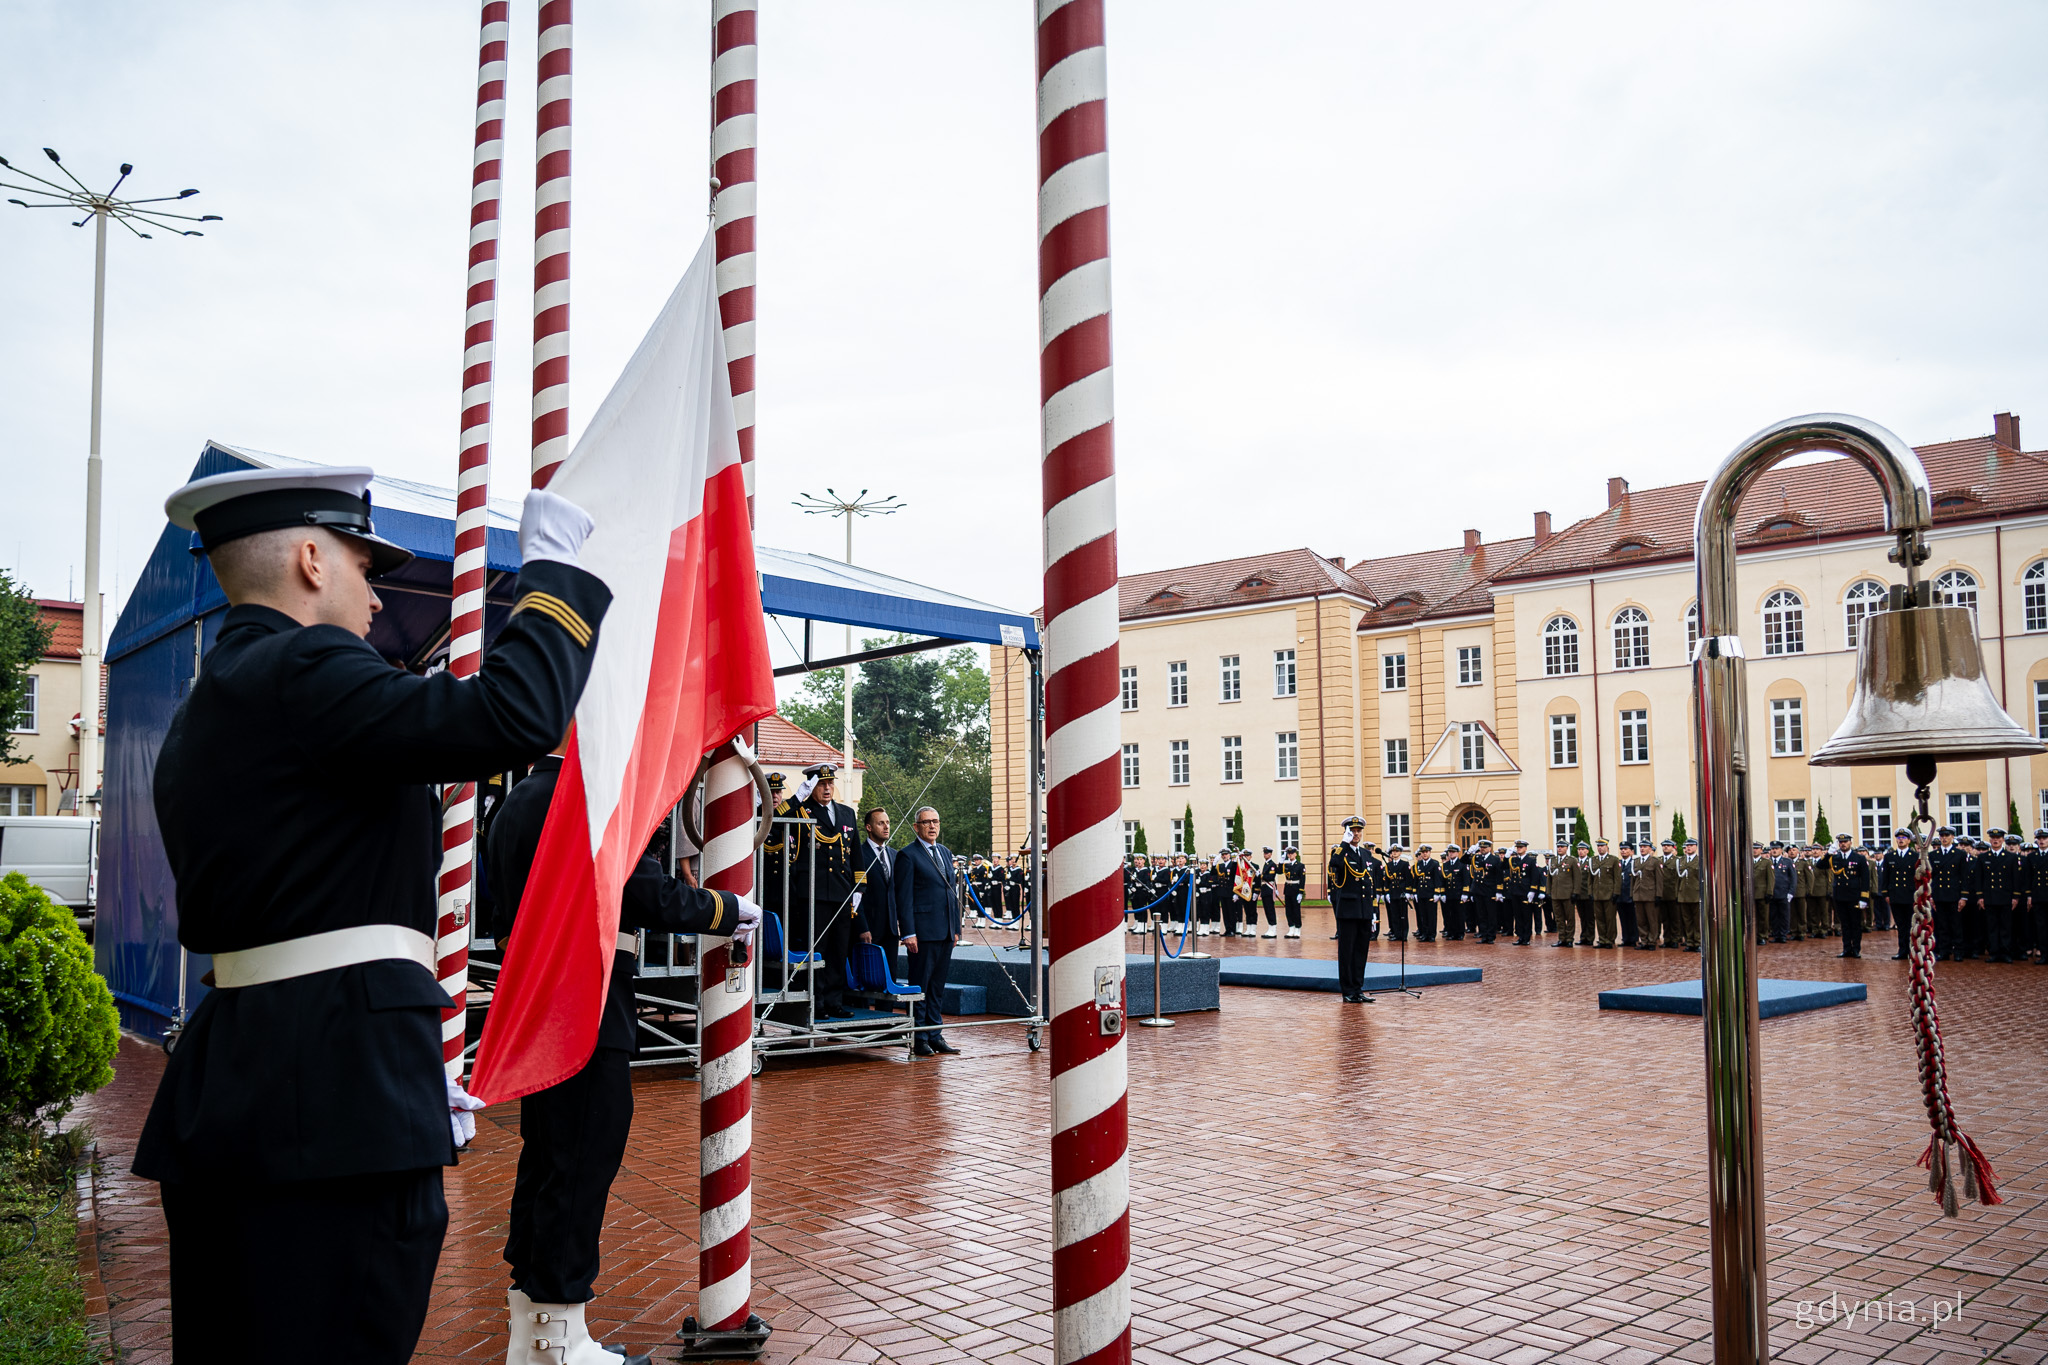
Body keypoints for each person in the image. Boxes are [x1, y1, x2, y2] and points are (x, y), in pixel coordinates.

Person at [134, 467, 610, 1365]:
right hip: (332, 1104)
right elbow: (512, 715)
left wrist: (393, 1050)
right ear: (312, 560)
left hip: (257, 1077)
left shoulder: (215, 699)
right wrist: (552, 576)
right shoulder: (303, 665)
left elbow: (313, 903)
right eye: (364, 566)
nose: (377, 596)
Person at [489, 738, 757, 1365]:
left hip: (538, 1003)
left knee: (547, 1160)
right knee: (580, 1163)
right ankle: (559, 1338)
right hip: (586, 1000)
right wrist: (724, 909)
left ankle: (533, 1330)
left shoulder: (519, 799)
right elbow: (645, 894)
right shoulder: (585, 797)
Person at [894, 806, 963, 1054]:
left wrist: (956, 929)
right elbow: (904, 898)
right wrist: (908, 932)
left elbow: (951, 893)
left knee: (937, 987)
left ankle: (935, 1034)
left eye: (935, 821)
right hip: (922, 933)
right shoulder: (907, 855)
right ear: (916, 827)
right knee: (920, 986)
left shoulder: (944, 852)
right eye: (926, 822)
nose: (932, 826)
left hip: (945, 931)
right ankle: (918, 1037)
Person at [794, 762, 860, 1018]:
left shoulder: (847, 813)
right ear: (812, 787)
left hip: (842, 892)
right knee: (817, 949)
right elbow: (777, 823)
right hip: (815, 892)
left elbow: (856, 854)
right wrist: (797, 798)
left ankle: (835, 1001)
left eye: (830, 783)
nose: (827, 788)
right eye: (821, 784)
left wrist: (860, 887)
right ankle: (817, 1002)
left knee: (839, 949)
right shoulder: (802, 812)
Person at [1327, 817, 1376, 1002]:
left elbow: (1369, 884)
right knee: (1347, 952)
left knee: (1361, 951)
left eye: (1358, 831)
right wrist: (1344, 843)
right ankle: (1347, 990)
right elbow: (1334, 865)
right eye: (1352, 831)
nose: (1356, 834)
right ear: (1347, 832)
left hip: (1364, 910)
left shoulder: (1366, 854)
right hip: (1348, 910)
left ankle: (1358, 989)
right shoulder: (1341, 852)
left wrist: (1372, 913)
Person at [856, 808, 903, 968]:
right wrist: (862, 928)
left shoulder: (895, 855)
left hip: (891, 931)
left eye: (888, 823)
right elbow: (856, 895)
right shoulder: (858, 855)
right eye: (881, 823)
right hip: (869, 930)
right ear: (869, 827)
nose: (886, 827)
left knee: (891, 975)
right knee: (870, 975)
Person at [1972, 828, 2022, 963]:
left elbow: (2015, 878)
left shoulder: (2011, 857)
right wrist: (1980, 897)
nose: (1995, 840)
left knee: (2006, 927)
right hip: (1990, 897)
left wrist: (2015, 897)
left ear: (2002, 840)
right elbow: (1979, 879)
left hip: (2006, 897)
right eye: (1993, 838)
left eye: (1998, 838)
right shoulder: (1983, 857)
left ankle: (2006, 953)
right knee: (1992, 927)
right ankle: (1994, 953)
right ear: (1990, 840)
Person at [1826, 831, 1872, 958]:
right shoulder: (1835, 857)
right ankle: (1846, 948)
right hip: (1840, 896)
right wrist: (1828, 853)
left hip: (1854, 896)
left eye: (1845, 842)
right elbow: (1820, 865)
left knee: (1855, 924)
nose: (1843, 844)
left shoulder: (1859, 858)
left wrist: (1864, 898)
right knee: (1844, 924)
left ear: (1850, 843)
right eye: (1841, 842)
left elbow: (1865, 879)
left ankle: (1856, 949)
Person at [1927, 826, 1969, 960]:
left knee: (1956, 925)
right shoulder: (1933, 855)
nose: (1944, 838)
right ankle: (1944, 951)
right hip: (1939, 894)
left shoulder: (1960, 854)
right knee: (1942, 925)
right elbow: (1932, 877)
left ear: (1952, 837)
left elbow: (1964, 876)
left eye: (1947, 836)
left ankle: (1958, 952)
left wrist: (1964, 896)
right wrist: (1932, 896)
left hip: (1954, 895)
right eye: (1942, 836)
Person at [1876, 830, 1918, 960]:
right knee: (1900, 925)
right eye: (1899, 837)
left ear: (1909, 840)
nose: (1901, 840)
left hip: (1910, 895)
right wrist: (1886, 893)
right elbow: (1886, 877)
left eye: (1904, 837)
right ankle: (1902, 950)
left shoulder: (1915, 856)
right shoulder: (1890, 857)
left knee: (1911, 925)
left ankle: (1912, 950)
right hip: (1895, 895)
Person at [1586, 839, 1620, 948]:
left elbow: (1617, 878)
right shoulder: (1593, 860)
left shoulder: (1613, 860)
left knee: (1610, 919)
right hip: (1597, 894)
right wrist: (1590, 892)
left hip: (1609, 894)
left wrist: (1616, 892)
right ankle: (1602, 939)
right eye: (1598, 846)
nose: (1600, 848)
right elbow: (1590, 879)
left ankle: (1610, 940)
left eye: (1602, 846)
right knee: (1599, 918)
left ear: (1607, 847)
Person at [1546, 840, 1580, 948]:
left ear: (1566, 848)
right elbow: (1549, 878)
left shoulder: (1572, 860)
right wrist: (1548, 891)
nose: (1559, 848)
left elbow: (1577, 878)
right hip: (1555, 894)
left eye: (1562, 847)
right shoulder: (1553, 860)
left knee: (1570, 918)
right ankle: (1562, 938)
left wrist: (1575, 892)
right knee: (1559, 918)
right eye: (1558, 846)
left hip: (1567, 894)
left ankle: (1569, 939)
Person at [1670, 839, 1702, 951]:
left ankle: (1697, 942)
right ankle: (1689, 942)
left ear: (1696, 847)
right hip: (1683, 894)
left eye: (1691, 845)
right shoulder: (1680, 861)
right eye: (1687, 845)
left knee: (1697, 921)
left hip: (1696, 895)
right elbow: (1677, 879)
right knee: (1687, 921)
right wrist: (1677, 894)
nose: (1688, 847)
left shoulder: (1700, 860)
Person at [1414, 845, 1442, 942]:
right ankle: (1424, 933)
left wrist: (1437, 892)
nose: (1425, 854)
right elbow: (1416, 879)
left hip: (1430, 893)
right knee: (1423, 915)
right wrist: (1415, 892)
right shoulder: (1419, 864)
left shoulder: (1434, 863)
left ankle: (1431, 934)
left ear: (1430, 853)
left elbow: (1437, 879)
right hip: (1421, 893)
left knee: (1431, 915)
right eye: (1423, 852)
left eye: (1426, 852)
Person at [1282, 847, 1306, 937]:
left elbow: (1302, 879)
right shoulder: (1286, 865)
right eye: (1289, 854)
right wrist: (1281, 861)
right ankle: (1291, 928)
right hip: (1288, 889)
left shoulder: (1300, 865)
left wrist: (1301, 892)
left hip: (1296, 889)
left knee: (1296, 910)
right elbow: (1279, 871)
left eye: (1292, 853)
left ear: (1295, 854)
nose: (1290, 855)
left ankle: (1297, 928)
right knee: (1288, 910)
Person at [1257, 847, 1281, 938]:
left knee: (1270, 910)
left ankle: (1273, 929)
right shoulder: (1266, 864)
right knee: (1267, 910)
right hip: (1265, 890)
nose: (1265, 855)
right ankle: (1270, 928)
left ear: (1270, 854)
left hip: (1269, 890)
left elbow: (1270, 877)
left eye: (1267, 853)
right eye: (1264, 853)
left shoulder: (1272, 864)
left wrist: (1261, 876)